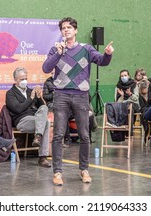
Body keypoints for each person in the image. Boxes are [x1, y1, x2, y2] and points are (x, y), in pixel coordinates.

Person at [42, 16, 114, 186]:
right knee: (59, 135)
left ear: (75, 30)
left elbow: (102, 62)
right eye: (63, 28)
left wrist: (108, 54)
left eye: (69, 27)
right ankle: (57, 172)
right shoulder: (55, 49)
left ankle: (84, 169)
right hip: (61, 95)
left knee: (84, 135)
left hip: (81, 96)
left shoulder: (86, 49)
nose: (66, 30)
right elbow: (46, 68)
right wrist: (58, 54)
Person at [6, 67, 51, 168]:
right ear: (15, 80)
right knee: (46, 123)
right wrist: (31, 98)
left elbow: (42, 108)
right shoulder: (10, 93)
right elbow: (18, 109)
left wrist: (39, 97)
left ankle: (38, 137)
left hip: (35, 118)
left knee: (44, 108)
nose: (24, 81)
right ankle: (42, 157)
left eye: (25, 78)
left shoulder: (30, 91)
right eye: (21, 79)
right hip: (22, 121)